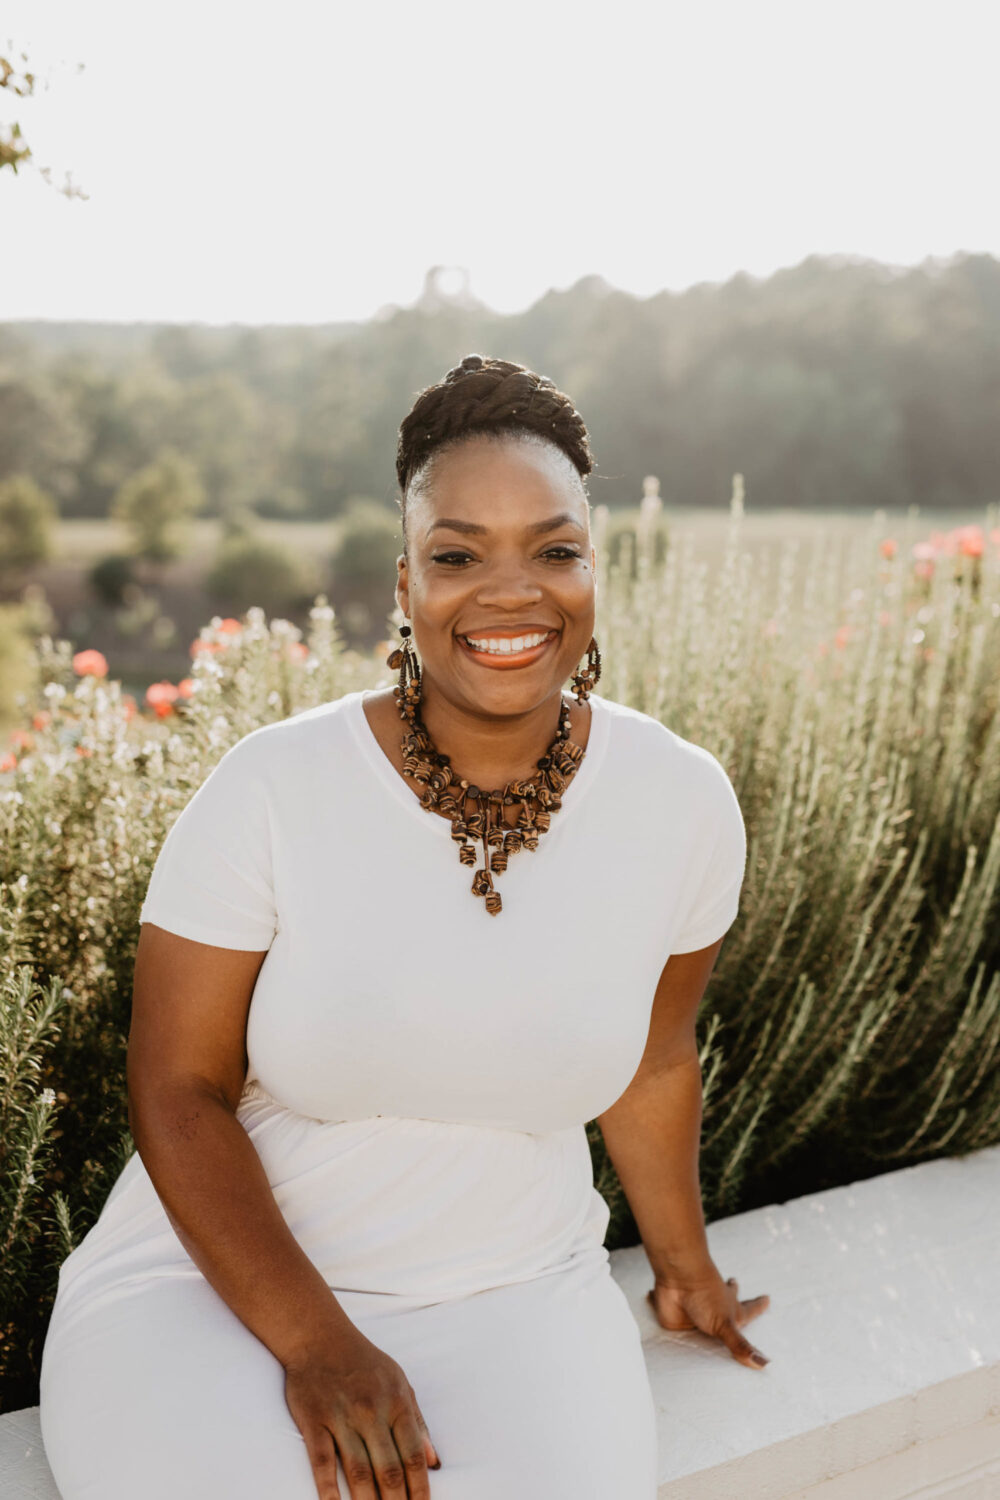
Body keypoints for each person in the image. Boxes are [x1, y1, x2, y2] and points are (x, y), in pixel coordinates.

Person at [38, 354, 769, 1500]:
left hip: (520, 1293)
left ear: (594, 567)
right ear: (404, 582)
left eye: (554, 549)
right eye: (458, 554)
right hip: (216, 1291)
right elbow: (177, 1089)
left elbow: (654, 1058)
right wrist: (319, 1347)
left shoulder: (681, 802)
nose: (510, 591)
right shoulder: (273, 786)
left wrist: (686, 1271)